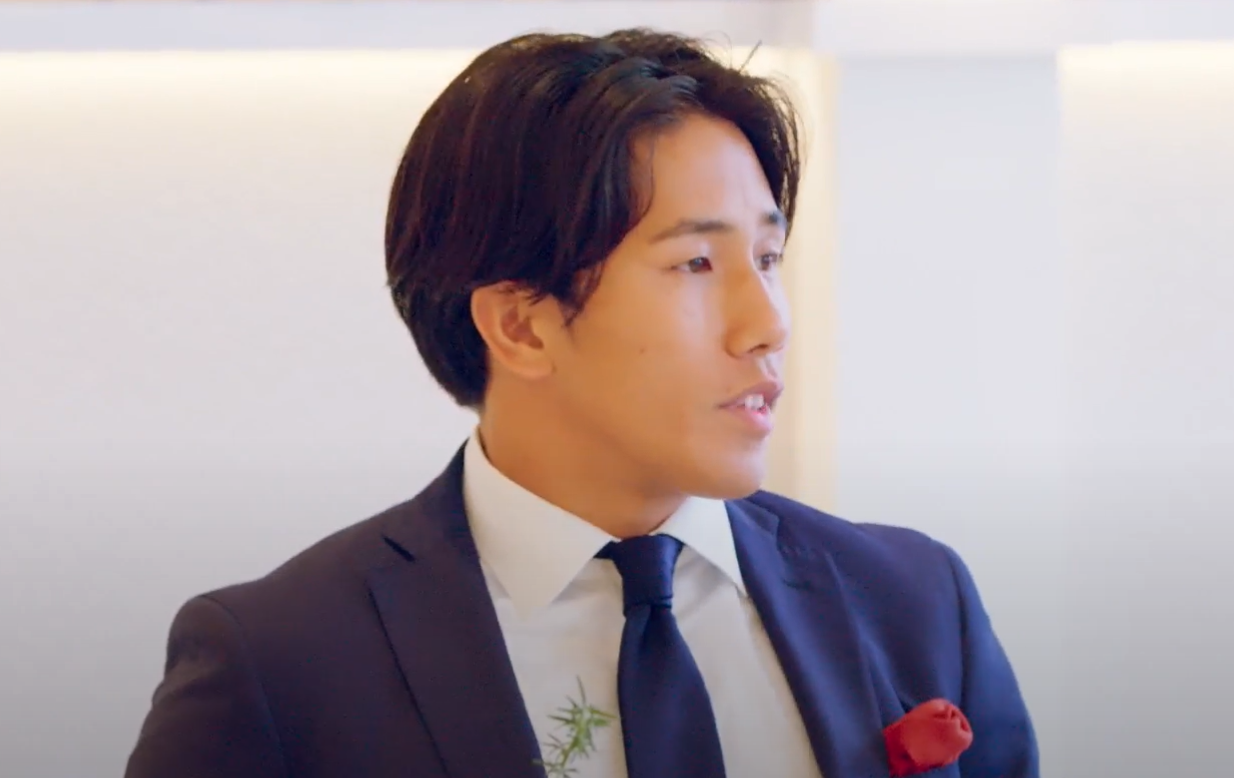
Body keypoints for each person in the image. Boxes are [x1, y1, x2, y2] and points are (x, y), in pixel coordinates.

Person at [124, 28, 1038, 778]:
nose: (767, 324)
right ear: (521, 327)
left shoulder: (913, 600)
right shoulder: (282, 664)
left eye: (767, 258)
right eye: (696, 263)